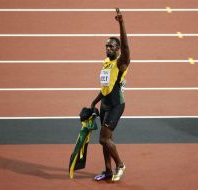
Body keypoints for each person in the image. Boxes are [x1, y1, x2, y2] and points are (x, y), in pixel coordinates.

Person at [91, 8, 130, 182]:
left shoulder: (121, 62)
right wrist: (94, 102)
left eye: (111, 46)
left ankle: (120, 165)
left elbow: (127, 47)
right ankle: (107, 171)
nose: (108, 48)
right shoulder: (106, 62)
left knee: (103, 139)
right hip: (105, 104)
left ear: (118, 49)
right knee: (105, 140)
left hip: (116, 105)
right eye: (106, 45)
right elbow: (105, 86)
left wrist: (121, 23)